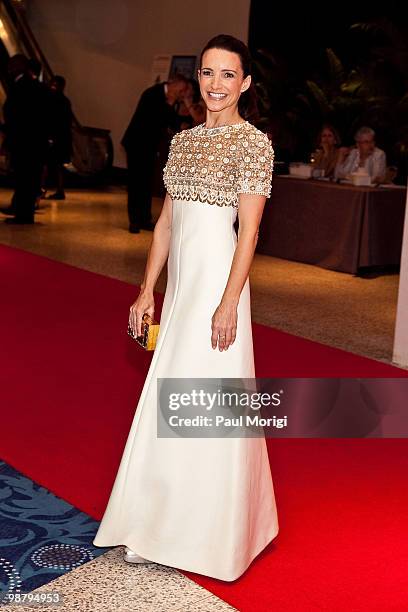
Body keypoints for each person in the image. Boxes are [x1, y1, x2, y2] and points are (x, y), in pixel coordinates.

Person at [93, 34, 279, 582]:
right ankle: (156, 522)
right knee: (167, 393)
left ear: (245, 84)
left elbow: (249, 235)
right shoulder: (183, 143)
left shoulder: (254, 144)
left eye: (228, 75)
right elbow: (168, 224)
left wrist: (227, 305)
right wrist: (146, 289)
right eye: (207, 73)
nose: (216, 84)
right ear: (197, 79)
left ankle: (217, 533)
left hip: (221, 289)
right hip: (180, 291)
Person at [121, 74, 190, 233]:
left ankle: (145, 219)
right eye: (182, 89)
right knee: (135, 183)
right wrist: (172, 107)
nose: (182, 93)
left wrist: (182, 121)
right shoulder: (152, 94)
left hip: (149, 146)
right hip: (137, 144)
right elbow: (159, 117)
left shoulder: (168, 98)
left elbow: (171, 120)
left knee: (146, 182)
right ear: (174, 84)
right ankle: (134, 221)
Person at [1, 54, 50, 224]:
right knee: (30, 179)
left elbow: (14, 114)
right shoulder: (39, 87)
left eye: (11, 65)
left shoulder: (20, 86)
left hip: (23, 142)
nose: (9, 68)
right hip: (36, 143)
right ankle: (25, 213)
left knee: (23, 179)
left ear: (19, 67)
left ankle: (23, 215)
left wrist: (7, 131)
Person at [43, 75, 73, 200]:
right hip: (61, 138)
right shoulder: (64, 101)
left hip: (56, 138)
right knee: (57, 165)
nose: (52, 87)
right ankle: (57, 190)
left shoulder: (54, 100)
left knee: (49, 164)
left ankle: (43, 189)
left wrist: (51, 137)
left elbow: (54, 121)